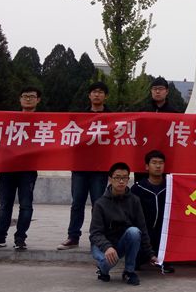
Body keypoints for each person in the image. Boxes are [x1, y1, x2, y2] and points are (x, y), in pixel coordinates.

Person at [0, 86, 41, 250]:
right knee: (4, 205)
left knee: (26, 205)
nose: (28, 99)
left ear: (38, 100)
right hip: (7, 168)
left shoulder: (44, 122)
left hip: (28, 170)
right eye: (25, 96)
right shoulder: (9, 119)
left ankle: (20, 238)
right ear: (20, 99)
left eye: (32, 96)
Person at [58, 81, 111, 250]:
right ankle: (73, 236)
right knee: (77, 204)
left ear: (105, 96)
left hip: (100, 169)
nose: (97, 95)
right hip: (80, 167)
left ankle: (97, 238)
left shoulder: (113, 118)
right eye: (94, 92)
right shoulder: (79, 116)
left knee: (98, 204)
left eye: (100, 92)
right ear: (89, 95)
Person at [90, 162, 156, 286]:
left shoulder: (134, 201)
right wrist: (107, 247)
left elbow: (142, 228)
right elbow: (95, 233)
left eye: (124, 178)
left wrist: (150, 254)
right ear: (110, 179)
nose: (121, 181)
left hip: (121, 242)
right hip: (103, 245)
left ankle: (129, 271)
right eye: (117, 178)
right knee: (107, 261)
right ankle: (103, 271)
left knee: (134, 232)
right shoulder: (100, 204)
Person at [131, 150, 174, 273]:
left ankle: (163, 260)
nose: (158, 166)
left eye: (161, 163)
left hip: (163, 232)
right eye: (154, 163)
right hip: (144, 232)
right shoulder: (138, 188)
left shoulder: (170, 187)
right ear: (147, 166)